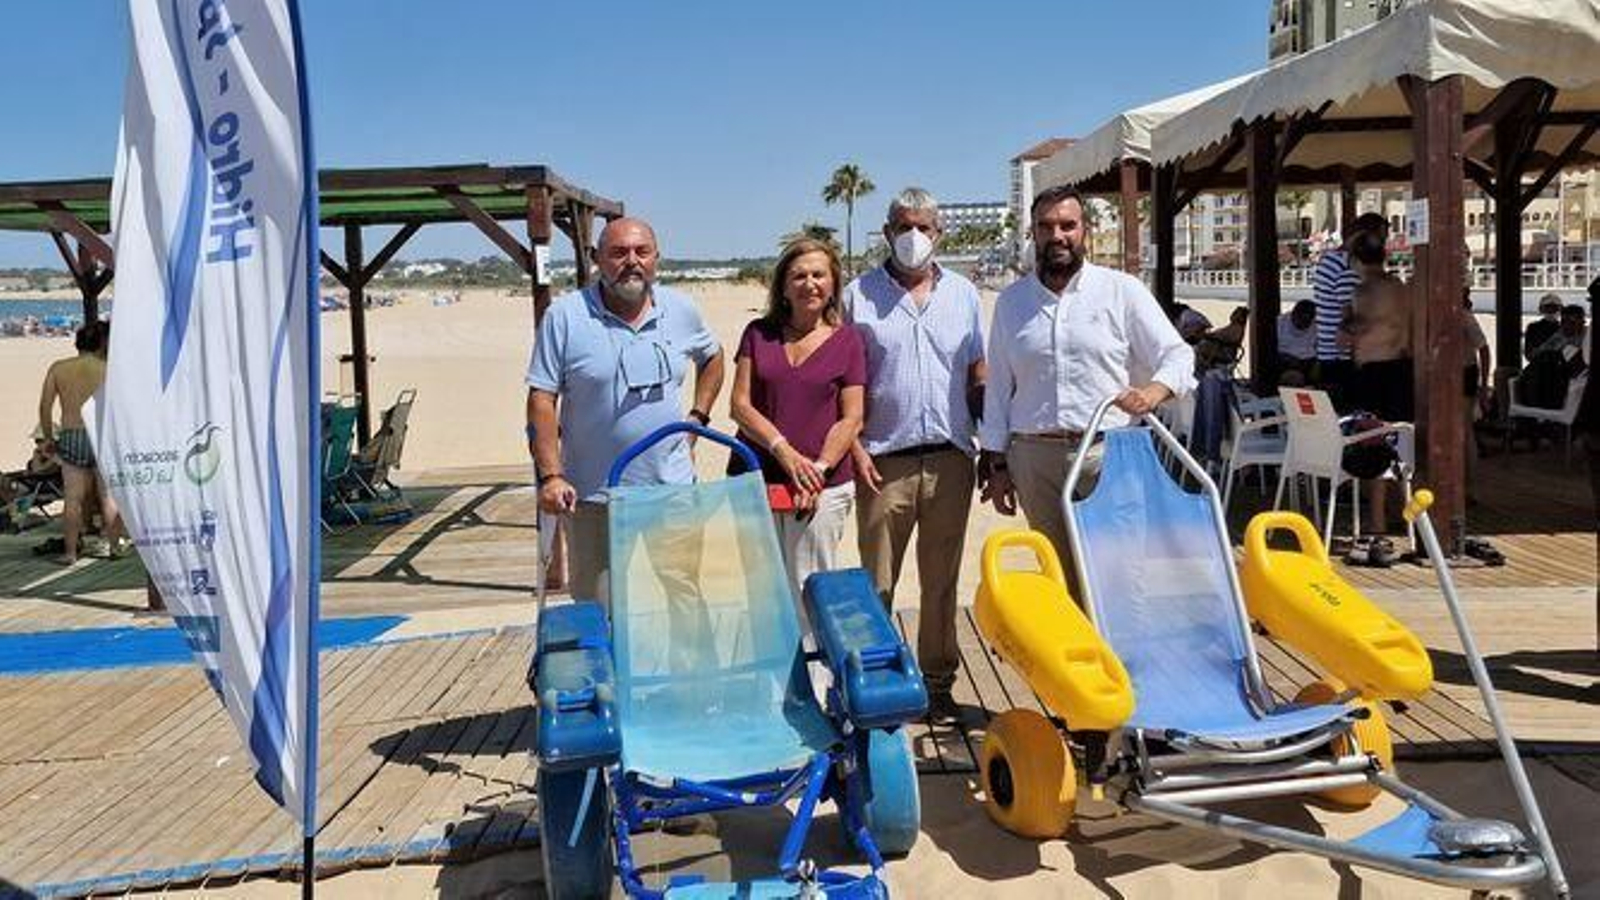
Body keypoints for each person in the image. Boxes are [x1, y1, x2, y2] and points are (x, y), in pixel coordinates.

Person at [980, 184, 1195, 583]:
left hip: (1108, 453)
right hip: (1034, 459)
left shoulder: (1122, 290)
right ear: (1033, 233)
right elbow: (998, 390)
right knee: (1058, 577)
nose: (1057, 235)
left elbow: (1178, 356)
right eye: (1046, 227)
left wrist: (1152, 393)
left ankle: (1119, 649)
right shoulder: (1011, 302)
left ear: (1085, 232)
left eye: (1068, 225)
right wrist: (996, 463)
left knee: (1121, 576)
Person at [526, 217, 726, 606]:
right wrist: (551, 476)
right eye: (618, 253)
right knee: (596, 607)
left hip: (671, 492)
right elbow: (541, 400)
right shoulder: (564, 317)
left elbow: (714, 358)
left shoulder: (682, 309)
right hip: (593, 497)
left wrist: (698, 418)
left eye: (641, 252)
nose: (631, 261)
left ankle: (680, 668)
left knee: (684, 601)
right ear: (597, 259)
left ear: (656, 259)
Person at [843, 188, 985, 723]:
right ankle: (879, 687)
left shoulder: (965, 295)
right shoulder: (858, 296)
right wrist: (852, 446)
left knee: (942, 579)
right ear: (887, 232)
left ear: (940, 233)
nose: (914, 237)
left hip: (951, 458)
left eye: (925, 227)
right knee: (876, 582)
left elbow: (978, 375)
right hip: (882, 462)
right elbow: (844, 380)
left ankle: (937, 683)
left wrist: (991, 452)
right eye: (904, 226)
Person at [729, 238, 866, 604]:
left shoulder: (848, 340)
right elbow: (740, 405)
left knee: (811, 590)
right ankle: (774, 664)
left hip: (823, 486)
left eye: (819, 275)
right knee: (758, 590)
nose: (810, 284)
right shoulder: (758, 334)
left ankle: (815, 664)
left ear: (834, 282)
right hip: (755, 478)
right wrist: (782, 450)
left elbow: (851, 418)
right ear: (784, 287)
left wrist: (817, 470)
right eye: (799, 276)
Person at [37, 321, 125, 565]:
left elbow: (45, 406)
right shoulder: (108, 369)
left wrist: (47, 438)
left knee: (73, 498)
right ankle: (115, 547)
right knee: (108, 496)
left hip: (71, 434)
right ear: (101, 343)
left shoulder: (59, 368)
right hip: (100, 435)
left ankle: (70, 553)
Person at [1313, 213, 1389, 408]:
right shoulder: (1348, 266)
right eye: (1381, 238)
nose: (1383, 243)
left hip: (1328, 354)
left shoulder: (1329, 259)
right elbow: (1350, 315)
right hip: (1344, 359)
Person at [1277, 300, 1319, 385]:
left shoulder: (1317, 325)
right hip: (1283, 362)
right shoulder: (1280, 323)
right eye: (1301, 320)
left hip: (1308, 363)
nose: (1304, 324)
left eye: (1308, 321)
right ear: (1293, 315)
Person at [1522, 294, 1564, 363]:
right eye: (1548, 308)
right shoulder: (1533, 328)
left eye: (1554, 308)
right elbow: (1529, 354)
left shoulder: (1564, 329)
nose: (1551, 311)